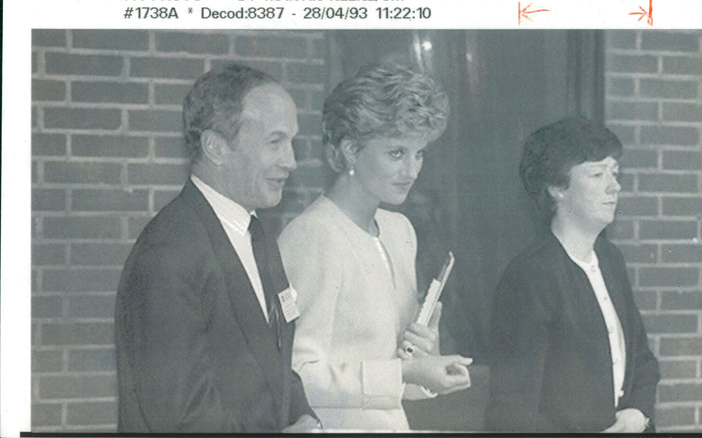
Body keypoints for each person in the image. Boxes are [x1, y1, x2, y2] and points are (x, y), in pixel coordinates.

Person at [115, 64, 319, 433]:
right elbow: (180, 416)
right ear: (215, 147)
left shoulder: (256, 234)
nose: (291, 160)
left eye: (292, 142)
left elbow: (274, 362)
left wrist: (305, 419)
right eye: (275, 142)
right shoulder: (168, 252)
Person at [278, 63, 472, 430]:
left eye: (420, 154)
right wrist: (407, 371)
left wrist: (427, 362)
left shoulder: (400, 231)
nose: (412, 171)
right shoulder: (314, 235)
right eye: (397, 153)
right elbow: (298, 376)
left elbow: (395, 380)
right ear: (351, 150)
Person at [486, 117, 660, 433]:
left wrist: (638, 411)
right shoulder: (530, 276)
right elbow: (514, 408)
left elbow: (643, 361)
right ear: (556, 188)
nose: (614, 186)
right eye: (597, 174)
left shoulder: (610, 260)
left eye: (615, 173)